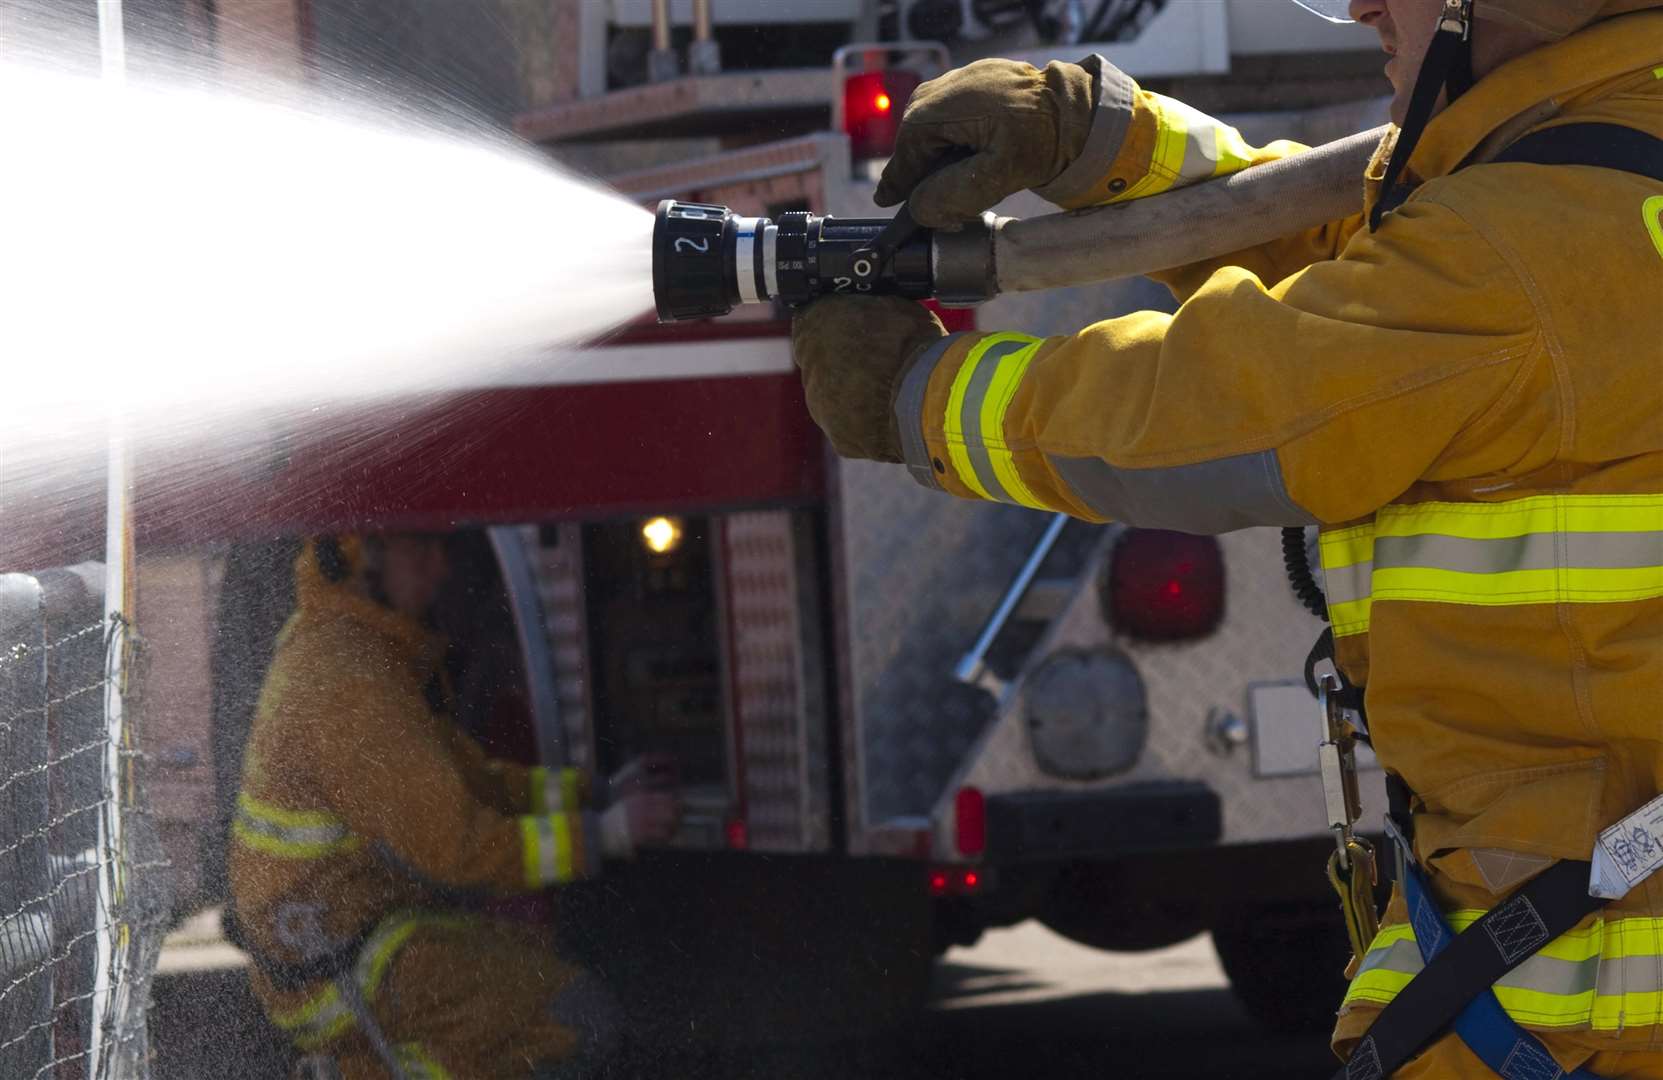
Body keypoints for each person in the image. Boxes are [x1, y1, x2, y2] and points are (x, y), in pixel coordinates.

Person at [790, 1, 1662, 1076]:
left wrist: (925, 395)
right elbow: (1374, 279)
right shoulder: (1593, 174)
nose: (1362, 7)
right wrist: (1099, 140)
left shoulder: (1526, 239)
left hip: (1587, 1013)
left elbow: (1260, 400)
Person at [228, 533, 680, 1079]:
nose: (440, 567)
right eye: (418, 548)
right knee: (574, 1019)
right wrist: (605, 836)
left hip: (341, 948)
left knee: (531, 971)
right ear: (362, 558)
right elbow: (458, 846)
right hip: (341, 968)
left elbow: (463, 780)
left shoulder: (345, 647)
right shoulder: (351, 682)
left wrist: (598, 794)